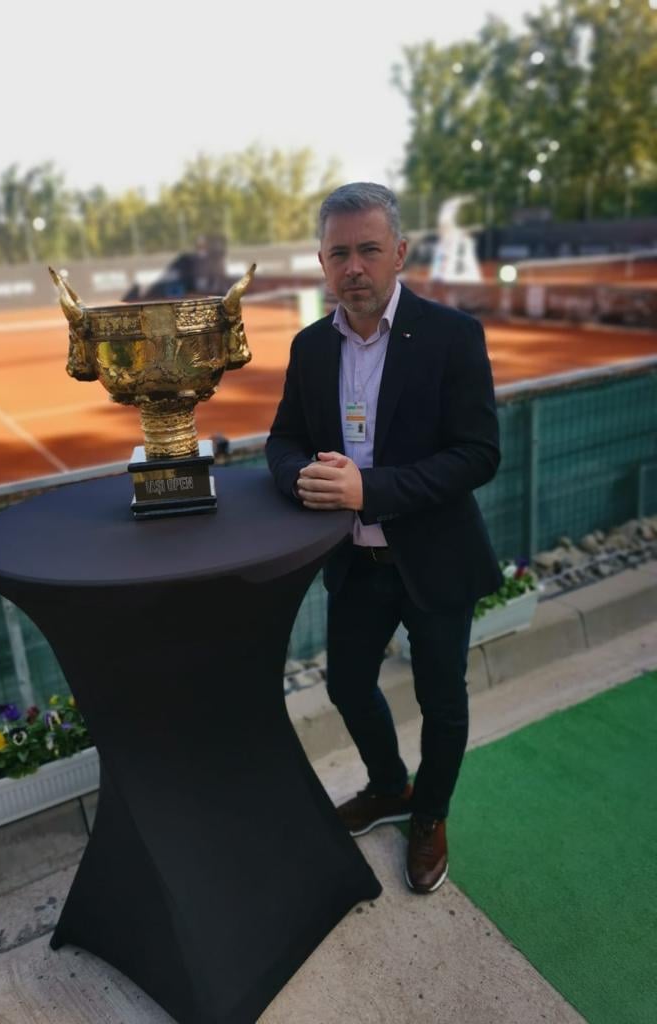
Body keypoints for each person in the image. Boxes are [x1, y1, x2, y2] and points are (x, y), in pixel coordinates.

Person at [266, 183, 501, 894]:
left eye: (368, 250)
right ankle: (391, 786)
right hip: (358, 563)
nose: (354, 267)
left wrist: (370, 489)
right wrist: (301, 475)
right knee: (346, 683)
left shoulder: (452, 336)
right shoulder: (310, 347)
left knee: (443, 701)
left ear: (399, 252)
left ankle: (430, 814)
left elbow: (478, 454)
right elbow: (283, 440)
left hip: (435, 559)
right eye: (339, 254)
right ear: (322, 263)